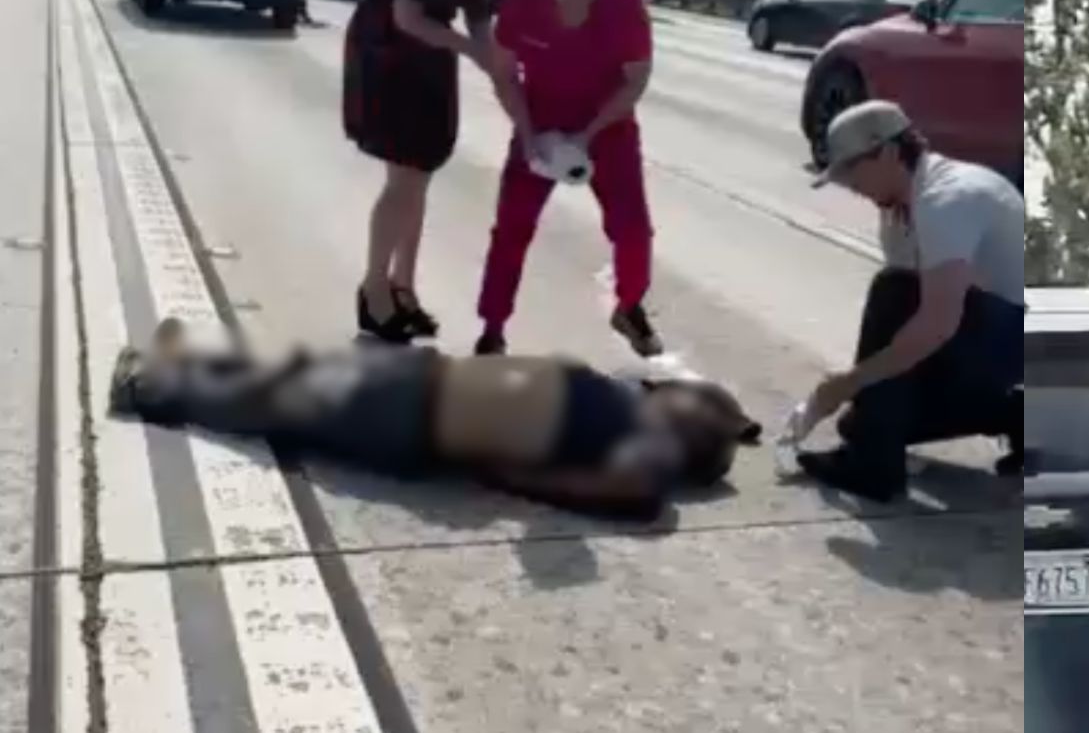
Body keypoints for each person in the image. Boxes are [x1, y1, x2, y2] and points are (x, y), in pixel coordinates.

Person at [108, 318, 761, 522]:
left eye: (692, 398)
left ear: (694, 431)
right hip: (426, 385)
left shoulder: (649, 453)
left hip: (418, 414)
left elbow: (636, 497)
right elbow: (714, 408)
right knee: (291, 377)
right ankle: (185, 364)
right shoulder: (635, 407)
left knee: (279, 402)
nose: (682, 388)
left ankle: (148, 386)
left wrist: (507, 475)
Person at [344, 0, 539, 343]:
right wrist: (473, 51)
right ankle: (373, 291)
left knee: (420, 175)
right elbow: (406, 16)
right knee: (404, 179)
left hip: (430, 53)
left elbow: (483, 36)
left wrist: (525, 122)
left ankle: (403, 287)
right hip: (389, 47)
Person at [798, 101, 1023, 502]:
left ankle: (873, 469)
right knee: (865, 419)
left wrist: (848, 382)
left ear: (886, 152)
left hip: (1018, 339)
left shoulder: (947, 199)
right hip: (986, 345)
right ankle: (1022, 415)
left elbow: (935, 323)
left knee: (892, 291)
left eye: (851, 171)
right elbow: (906, 337)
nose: (850, 186)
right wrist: (862, 400)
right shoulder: (898, 211)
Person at [474, 0, 660, 358]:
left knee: (633, 229)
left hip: (607, 126)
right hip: (539, 119)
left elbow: (635, 81)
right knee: (512, 227)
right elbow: (502, 71)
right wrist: (529, 132)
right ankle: (493, 327)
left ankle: (630, 305)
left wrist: (589, 134)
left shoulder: (624, 3)